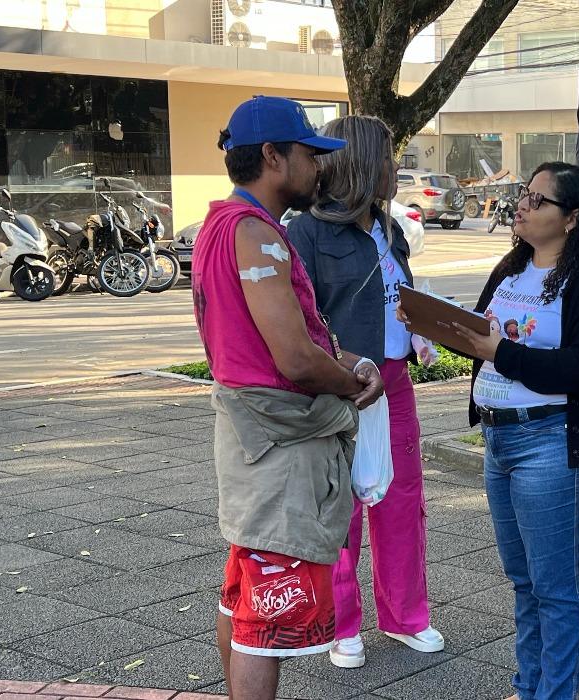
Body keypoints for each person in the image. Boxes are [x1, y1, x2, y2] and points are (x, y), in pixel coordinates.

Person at [193, 96, 384, 700]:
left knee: (244, 593)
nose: (319, 168)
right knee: (263, 622)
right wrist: (352, 384)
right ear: (273, 156)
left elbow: (294, 339)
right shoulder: (256, 236)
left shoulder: (221, 225)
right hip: (279, 445)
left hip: (251, 439)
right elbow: (295, 359)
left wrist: (345, 358)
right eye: (309, 154)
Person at [418, 162, 579, 700]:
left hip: (553, 443)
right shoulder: (513, 267)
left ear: (573, 218)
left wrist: (501, 352)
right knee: (524, 582)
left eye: (538, 200)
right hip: (499, 439)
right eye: (524, 195)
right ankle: (529, 686)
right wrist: (436, 326)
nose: (523, 206)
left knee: (555, 589)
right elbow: (486, 345)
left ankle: (552, 694)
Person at [284, 115, 443, 669]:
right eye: (388, 158)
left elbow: (395, 294)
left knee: (401, 502)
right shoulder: (303, 232)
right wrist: (341, 365)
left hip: (394, 381)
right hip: (340, 388)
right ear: (358, 164)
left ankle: (406, 617)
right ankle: (340, 624)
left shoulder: (389, 227)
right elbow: (301, 319)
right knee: (342, 508)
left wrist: (419, 327)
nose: (397, 169)